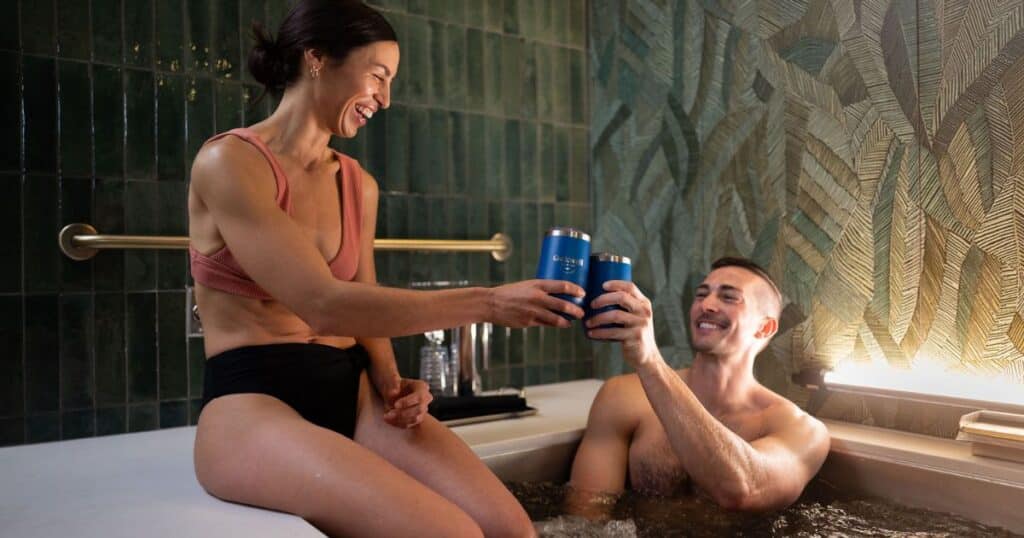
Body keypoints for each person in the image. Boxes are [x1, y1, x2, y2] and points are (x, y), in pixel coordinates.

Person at [188, 2, 579, 536]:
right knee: (453, 533)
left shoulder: (356, 183)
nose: (385, 98)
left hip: (353, 393)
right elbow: (323, 304)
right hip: (252, 402)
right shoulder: (231, 162)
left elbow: (362, 302)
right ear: (317, 59)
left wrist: (394, 384)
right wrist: (488, 302)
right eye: (377, 76)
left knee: (513, 531)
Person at [568, 257, 829, 513]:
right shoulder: (624, 397)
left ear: (765, 328)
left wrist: (649, 361)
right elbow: (586, 522)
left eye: (729, 297)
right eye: (701, 294)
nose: (707, 304)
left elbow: (743, 490)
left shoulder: (802, 431)